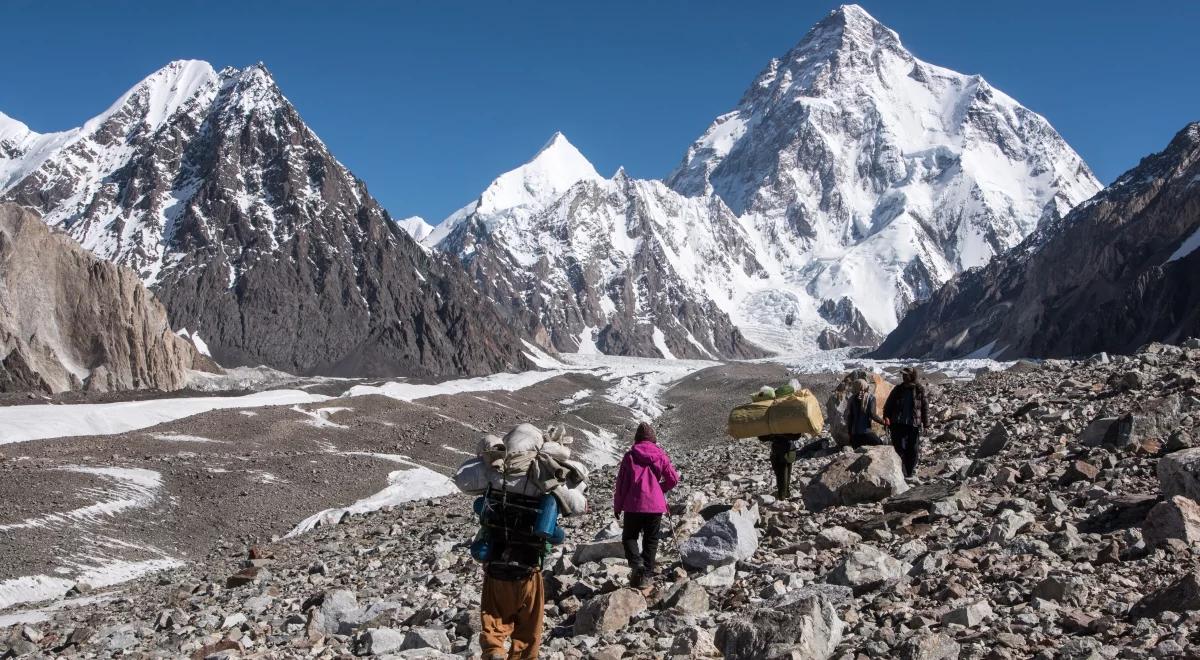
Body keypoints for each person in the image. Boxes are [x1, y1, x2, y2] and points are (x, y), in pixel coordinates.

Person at [613, 421, 679, 587]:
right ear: (653, 439)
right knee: (651, 540)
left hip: (633, 504)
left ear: (637, 438)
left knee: (629, 537)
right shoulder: (661, 455)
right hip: (655, 506)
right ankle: (646, 575)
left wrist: (618, 506)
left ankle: (637, 563)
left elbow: (622, 484)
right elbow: (673, 479)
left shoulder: (630, 456)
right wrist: (658, 489)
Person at [883, 366, 929, 480]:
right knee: (900, 448)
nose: (903, 377)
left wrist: (926, 424)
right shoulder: (898, 389)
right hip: (898, 424)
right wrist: (886, 418)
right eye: (903, 375)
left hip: (913, 425)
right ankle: (901, 472)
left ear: (912, 376)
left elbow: (925, 408)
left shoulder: (919, 389)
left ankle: (909, 472)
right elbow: (888, 405)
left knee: (913, 449)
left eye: (906, 375)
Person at [845, 378, 888, 447]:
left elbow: (850, 418)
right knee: (880, 445)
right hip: (866, 433)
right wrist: (883, 422)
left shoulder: (851, 399)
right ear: (865, 386)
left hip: (854, 435)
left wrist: (850, 434)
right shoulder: (870, 398)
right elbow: (872, 414)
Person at [759, 433, 801, 499]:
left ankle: (782, 495)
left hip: (783, 452)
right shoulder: (786, 426)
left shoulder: (774, 427)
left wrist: (776, 436)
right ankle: (785, 493)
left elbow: (762, 437)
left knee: (781, 474)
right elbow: (762, 437)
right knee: (784, 474)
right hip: (784, 451)